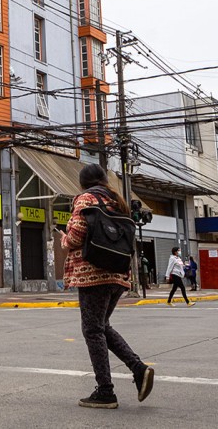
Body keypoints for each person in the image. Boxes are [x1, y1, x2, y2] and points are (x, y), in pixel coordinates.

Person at [61, 164, 154, 409]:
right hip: (118, 273)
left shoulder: (86, 198)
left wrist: (64, 239)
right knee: (101, 326)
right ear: (103, 179)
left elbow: (76, 236)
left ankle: (106, 391)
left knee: (92, 330)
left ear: (82, 183)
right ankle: (138, 369)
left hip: (94, 274)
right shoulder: (117, 200)